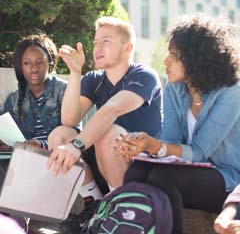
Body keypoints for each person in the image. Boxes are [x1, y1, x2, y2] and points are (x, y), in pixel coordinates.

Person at [115, 14, 240, 234]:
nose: (165, 61)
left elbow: (200, 151)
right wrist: (141, 146)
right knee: (136, 171)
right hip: (189, 170)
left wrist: (154, 146)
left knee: (162, 177)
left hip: (227, 177)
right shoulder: (175, 88)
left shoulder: (232, 92)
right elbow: (171, 143)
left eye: (174, 55)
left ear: (196, 60)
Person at [47, 16, 162, 203]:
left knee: (108, 132)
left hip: (139, 165)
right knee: (59, 135)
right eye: (95, 43)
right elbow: (69, 120)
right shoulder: (93, 79)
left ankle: (119, 206)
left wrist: (76, 146)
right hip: (103, 159)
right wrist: (76, 72)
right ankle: (93, 202)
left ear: (128, 48)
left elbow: (112, 110)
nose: (97, 48)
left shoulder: (145, 75)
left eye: (106, 41)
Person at [1, 32, 68, 150]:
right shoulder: (13, 100)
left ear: (50, 62)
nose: (34, 69)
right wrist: (7, 146)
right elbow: (8, 140)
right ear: (20, 66)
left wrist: (42, 145)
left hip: (57, 160)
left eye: (39, 62)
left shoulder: (64, 91)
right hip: (22, 161)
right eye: (27, 63)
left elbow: (75, 135)